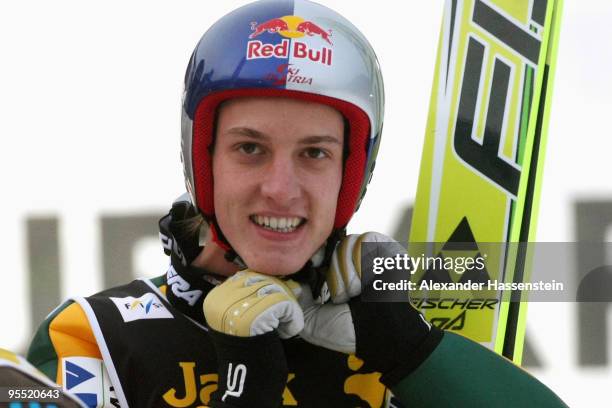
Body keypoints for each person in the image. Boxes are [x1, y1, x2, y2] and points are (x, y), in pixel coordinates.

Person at [27, 0, 568, 407]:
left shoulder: (390, 345)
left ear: (350, 174)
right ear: (203, 161)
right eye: (250, 148)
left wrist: (412, 351)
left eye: (314, 152)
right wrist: (245, 388)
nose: (281, 188)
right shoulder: (92, 338)